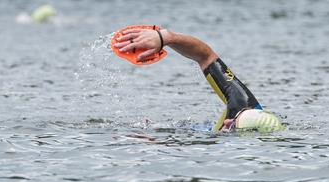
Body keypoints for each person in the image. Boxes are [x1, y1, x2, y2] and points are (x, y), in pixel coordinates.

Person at [112, 27, 283, 132]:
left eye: (232, 126)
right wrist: (165, 37)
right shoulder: (243, 105)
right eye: (235, 119)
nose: (228, 120)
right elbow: (206, 56)